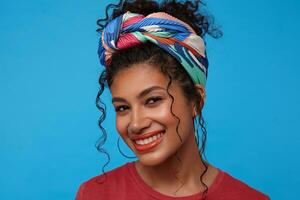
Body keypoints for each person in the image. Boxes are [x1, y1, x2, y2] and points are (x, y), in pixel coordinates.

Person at [76, 0, 269, 199]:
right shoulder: (94, 194)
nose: (135, 124)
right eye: (123, 107)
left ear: (196, 100)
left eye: (152, 100)